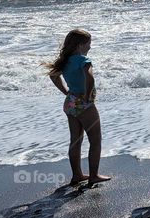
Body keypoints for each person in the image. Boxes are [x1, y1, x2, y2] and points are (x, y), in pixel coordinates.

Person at [44, 29, 111, 186]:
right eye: (89, 43)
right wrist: (87, 96)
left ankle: (77, 175)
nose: (90, 47)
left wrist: (65, 92)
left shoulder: (65, 61)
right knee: (95, 140)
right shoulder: (83, 60)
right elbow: (90, 77)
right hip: (84, 104)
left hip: (70, 102)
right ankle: (94, 175)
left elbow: (53, 76)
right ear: (81, 45)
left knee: (75, 140)